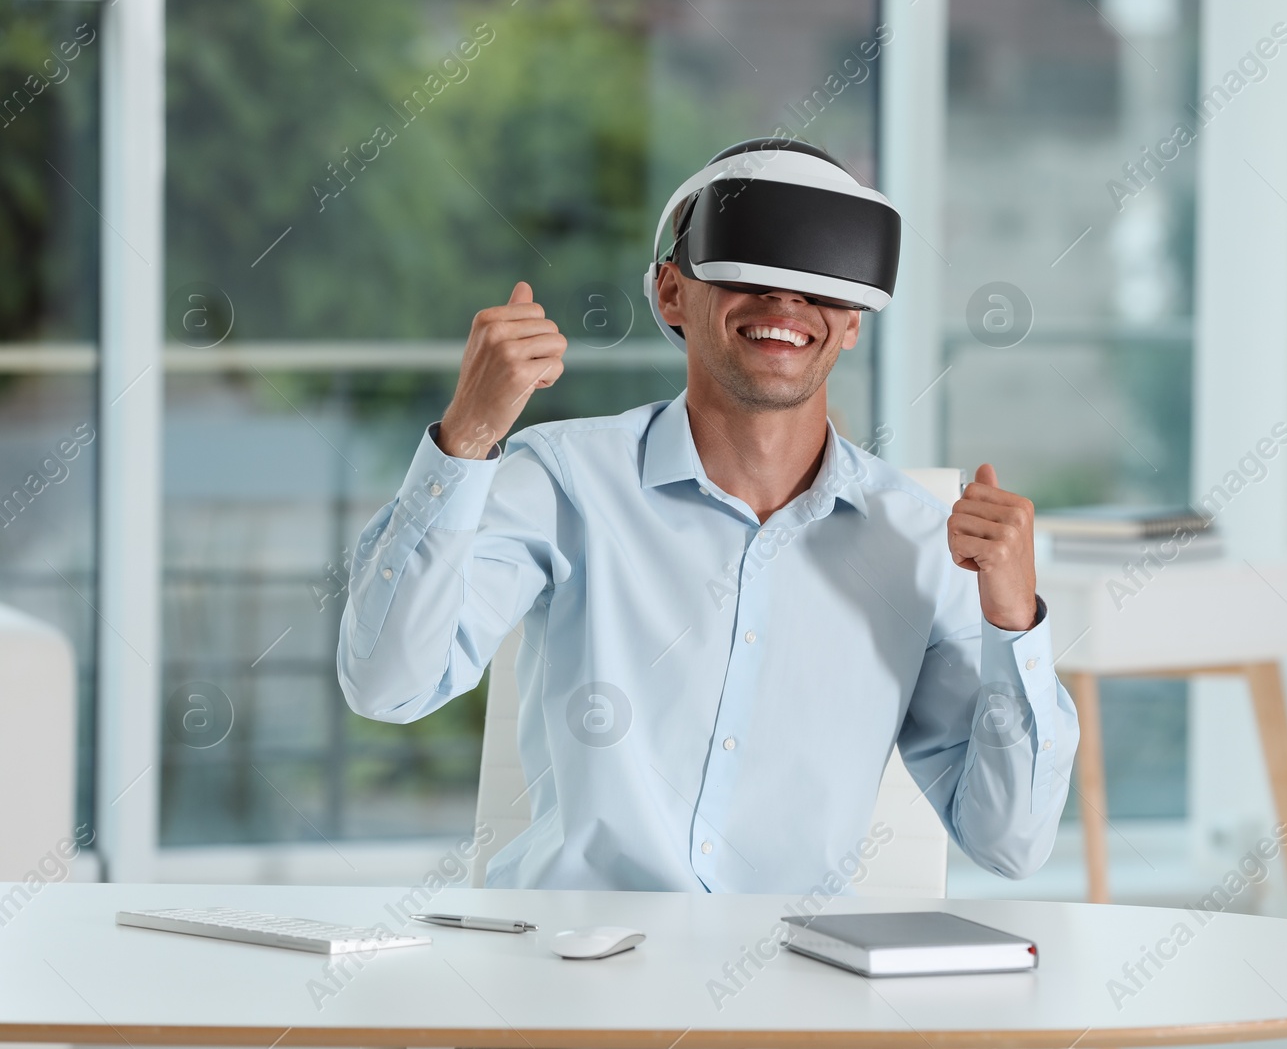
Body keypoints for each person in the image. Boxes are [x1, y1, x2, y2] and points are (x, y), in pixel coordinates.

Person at [337, 138, 1079, 892]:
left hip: (790, 983)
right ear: (670, 293)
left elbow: (1010, 843)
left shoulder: (924, 543)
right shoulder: (564, 481)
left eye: (819, 279)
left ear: (852, 321)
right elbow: (387, 683)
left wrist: (1014, 622)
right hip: (568, 971)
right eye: (747, 267)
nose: (785, 300)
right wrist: (464, 440)